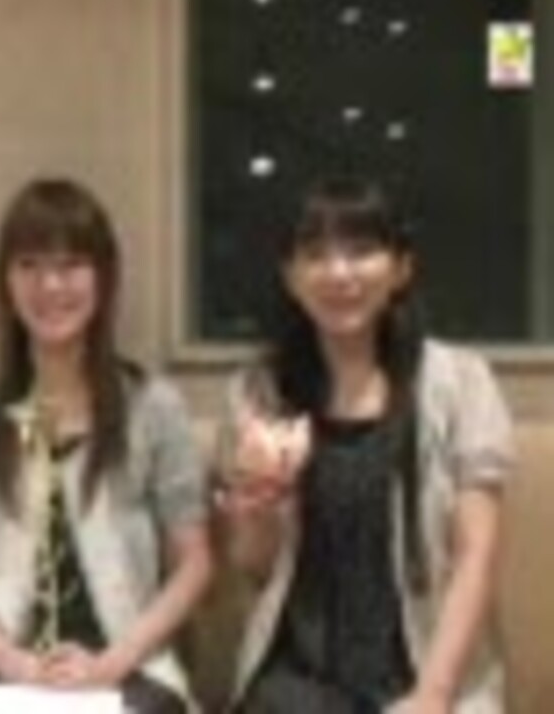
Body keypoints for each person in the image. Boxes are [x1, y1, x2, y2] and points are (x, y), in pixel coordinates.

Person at [0, 177, 212, 713]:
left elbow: (195, 563)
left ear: (104, 277)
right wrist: (13, 662)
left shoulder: (155, 408)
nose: (50, 285)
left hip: (127, 667)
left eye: (71, 265)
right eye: (29, 265)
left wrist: (113, 663)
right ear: (5, 281)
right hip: (1, 669)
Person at [216, 176, 514, 714]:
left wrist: (433, 696)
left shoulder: (461, 384)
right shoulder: (260, 391)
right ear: (290, 276)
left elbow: (476, 554)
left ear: (401, 268)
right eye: (315, 255)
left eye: (360, 251)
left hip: (428, 673)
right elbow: (255, 567)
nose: (339, 273)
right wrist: (257, 505)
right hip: (298, 680)